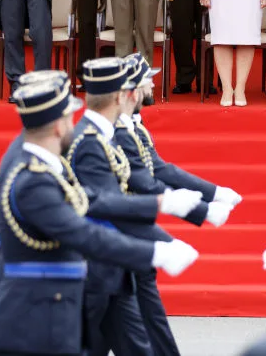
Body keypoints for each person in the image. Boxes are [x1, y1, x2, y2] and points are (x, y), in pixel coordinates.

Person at [0, 75, 199, 356]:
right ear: (59, 126)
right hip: (35, 319)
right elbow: (82, 232)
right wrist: (153, 253)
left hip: (49, 311)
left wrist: (160, 203)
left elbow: (89, 200)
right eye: (69, 117)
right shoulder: (33, 179)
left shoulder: (42, 168)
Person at [67, 57, 202, 356]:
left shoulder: (104, 135)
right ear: (121, 95)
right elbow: (104, 205)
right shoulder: (91, 140)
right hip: (97, 267)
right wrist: (162, 233)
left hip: (112, 267)